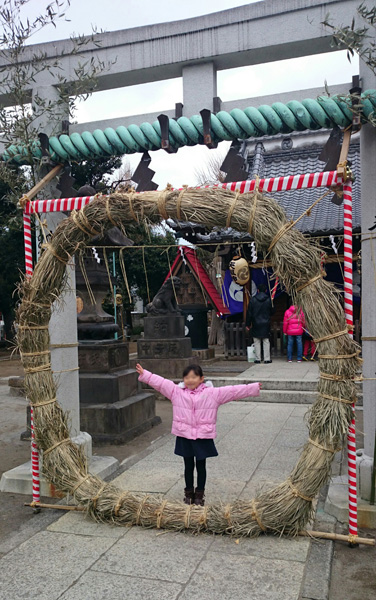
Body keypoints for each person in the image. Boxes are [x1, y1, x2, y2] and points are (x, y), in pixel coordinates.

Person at [136, 363, 261, 506]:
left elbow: (232, 391)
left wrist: (253, 388)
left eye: (194, 377)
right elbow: (162, 383)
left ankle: (199, 494)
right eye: (187, 377)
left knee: (201, 466)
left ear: (201, 379)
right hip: (184, 435)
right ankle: (188, 494)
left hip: (203, 436)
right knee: (188, 465)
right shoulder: (176, 392)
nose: (190, 380)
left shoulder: (212, 394)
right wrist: (146, 374)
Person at [246, 283, 275, 364]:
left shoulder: (253, 300)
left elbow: (249, 313)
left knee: (257, 341)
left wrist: (247, 324)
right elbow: (272, 312)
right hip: (266, 323)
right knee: (266, 341)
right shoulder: (269, 300)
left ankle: (258, 359)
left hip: (256, 323)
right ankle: (267, 359)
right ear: (265, 291)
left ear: (258, 291)